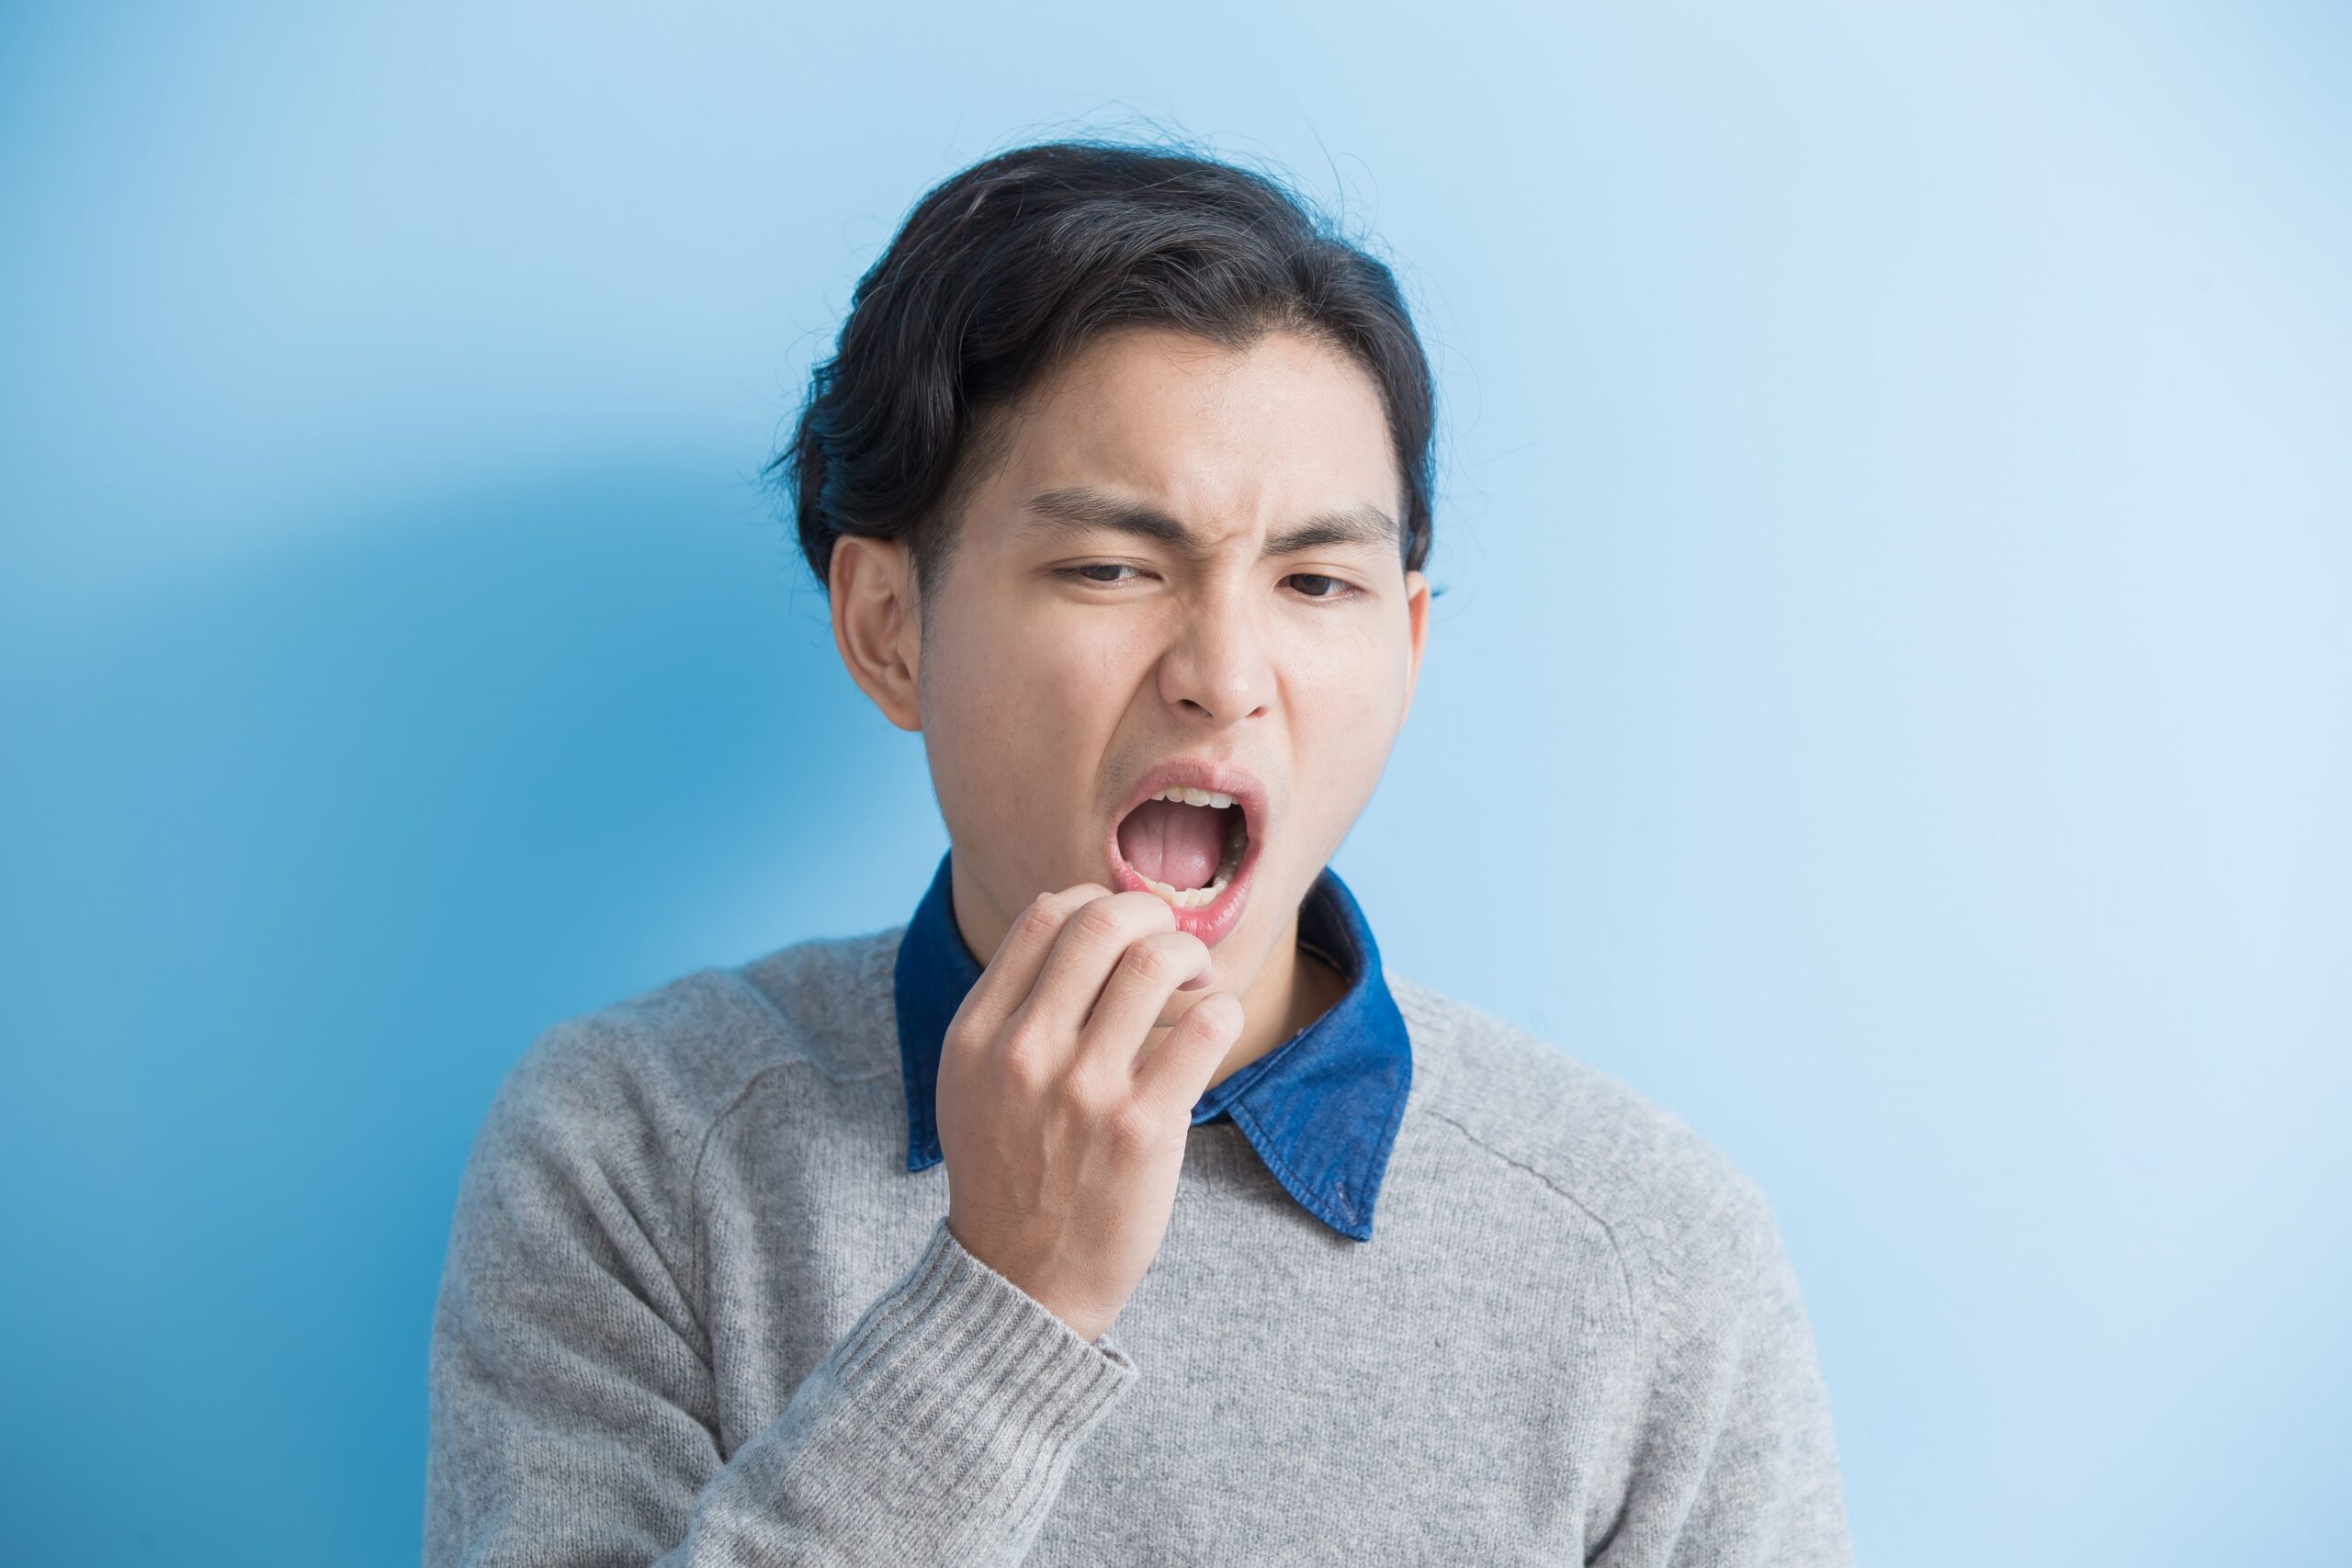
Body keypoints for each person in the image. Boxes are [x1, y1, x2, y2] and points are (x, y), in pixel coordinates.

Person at [423, 138, 1853, 1566]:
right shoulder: (634, 1149)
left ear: (1404, 648)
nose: (1223, 674)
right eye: (1112, 567)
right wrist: (1006, 1302)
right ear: (887, 628)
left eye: (1314, 580)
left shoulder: (1652, 1254)